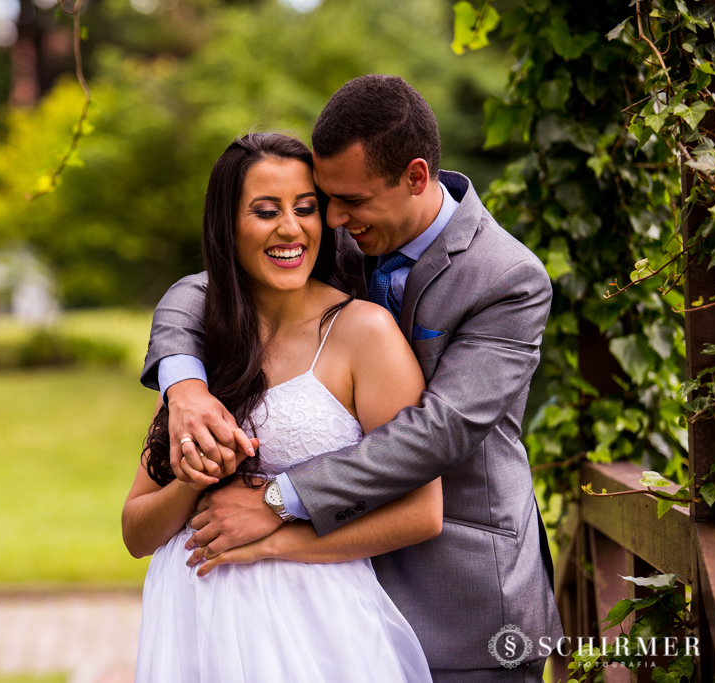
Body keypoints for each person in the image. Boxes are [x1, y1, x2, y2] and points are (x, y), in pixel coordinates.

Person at [140, 75, 564, 682]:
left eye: (351, 201)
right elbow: (204, 288)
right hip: (334, 602)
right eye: (328, 200)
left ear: (415, 177)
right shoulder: (345, 234)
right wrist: (184, 385)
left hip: (462, 591)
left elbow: (439, 430)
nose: (334, 217)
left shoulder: (507, 278)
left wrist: (278, 501)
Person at [123, 132, 440, 683]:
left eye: (306, 209)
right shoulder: (198, 347)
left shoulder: (364, 332)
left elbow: (422, 512)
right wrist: (193, 482)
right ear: (227, 225)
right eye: (266, 211)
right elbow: (135, 533)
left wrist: (271, 539)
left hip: (311, 626)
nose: (290, 229)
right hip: (191, 625)